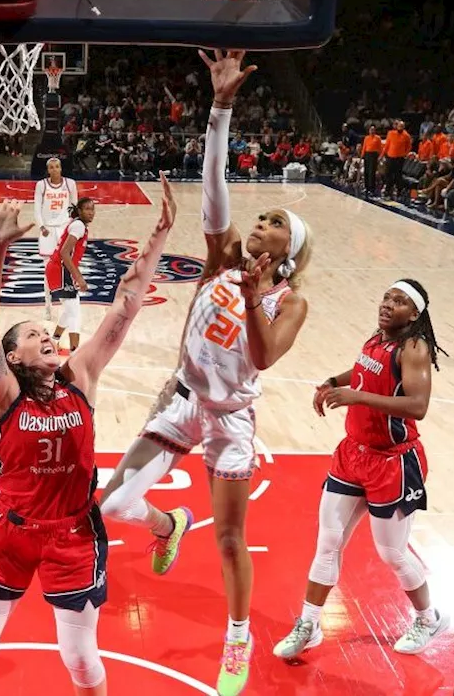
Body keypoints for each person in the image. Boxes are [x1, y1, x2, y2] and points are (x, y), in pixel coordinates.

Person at [97, 50, 313, 696]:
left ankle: (238, 636)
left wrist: (250, 295)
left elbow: (266, 354)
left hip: (231, 420)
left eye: (275, 221)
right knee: (111, 503)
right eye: (264, 215)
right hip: (184, 399)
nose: (262, 220)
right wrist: (219, 108)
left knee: (229, 539)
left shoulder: (288, 299)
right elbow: (213, 183)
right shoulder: (222, 255)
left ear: (288, 249)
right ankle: (168, 525)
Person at [0, 176, 176, 696]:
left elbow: (125, 306)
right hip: (9, 531)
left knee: (79, 657)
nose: (47, 335)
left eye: (47, 332)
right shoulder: (1, 396)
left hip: (73, 533)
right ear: (12, 358)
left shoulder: (81, 376)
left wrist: (159, 236)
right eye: (33, 335)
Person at [273, 279, 450, 662]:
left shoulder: (413, 347)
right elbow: (364, 372)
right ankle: (309, 623)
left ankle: (427, 617)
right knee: (328, 542)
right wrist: (334, 382)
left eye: (399, 301)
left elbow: (417, 405)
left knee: (392, 553)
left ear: (414, 314)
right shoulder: (377, 338)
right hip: (353, 455)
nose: (388, 304)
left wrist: (354, 396)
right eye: (387, 296)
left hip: (393, 463)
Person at [44, 197, 96, 356]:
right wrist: (79, 277)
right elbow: (64, 253)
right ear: (79, 211)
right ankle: (75, 354)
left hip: (61, 269)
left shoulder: (79, 225)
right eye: (87, 209)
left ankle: (53, 342)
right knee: (74, 312)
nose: (91, 212)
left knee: (70, 310)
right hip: (59, 269)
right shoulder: (78, 225)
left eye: (93, 209)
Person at [34, 158, 79, 319]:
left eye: (57, 166)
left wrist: (73, 228)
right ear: (48, 170)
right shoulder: (41, 185)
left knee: (66, 270)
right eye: (51, 167)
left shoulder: (70, 184)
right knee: (48, 271)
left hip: (64, 230)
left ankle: (67, 305)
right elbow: (37, 208)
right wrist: (41, 226)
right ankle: (48, 305)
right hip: (47, 231)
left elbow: (75, 209)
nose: (55, 169)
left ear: (61, 168)